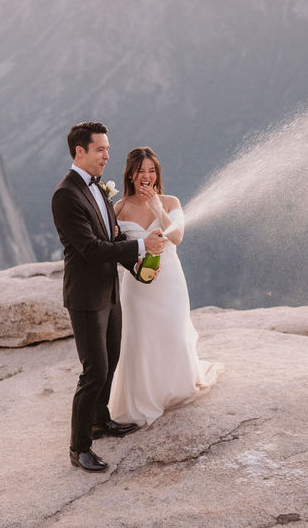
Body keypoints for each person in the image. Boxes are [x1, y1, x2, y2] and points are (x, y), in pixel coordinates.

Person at [51, 122, 167, 473]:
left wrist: (136, 266)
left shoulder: (99, 189)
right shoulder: (66, 194)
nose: (107, 155)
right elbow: (88, 248)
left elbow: (111, 238)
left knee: (112, 359)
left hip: (109, 291)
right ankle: (79, 447)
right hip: (86, 298)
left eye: (107, 148)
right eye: (100, 149)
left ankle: (101, 421)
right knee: (94, 371)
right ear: (79, 152)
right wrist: (141, 245)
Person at [108, 147, 221, 427]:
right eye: (140, 171)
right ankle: (145, 398)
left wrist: (157, 210)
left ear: (157, 174)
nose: (146, 176)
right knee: (141, 338)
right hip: (136, 285)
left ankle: (176, 388)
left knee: (172, 331)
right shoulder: (118, 208)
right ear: (130, 175)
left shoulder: (170, 202)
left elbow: (178, 235)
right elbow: (114, 249)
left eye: (151, 170)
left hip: (169, 280)